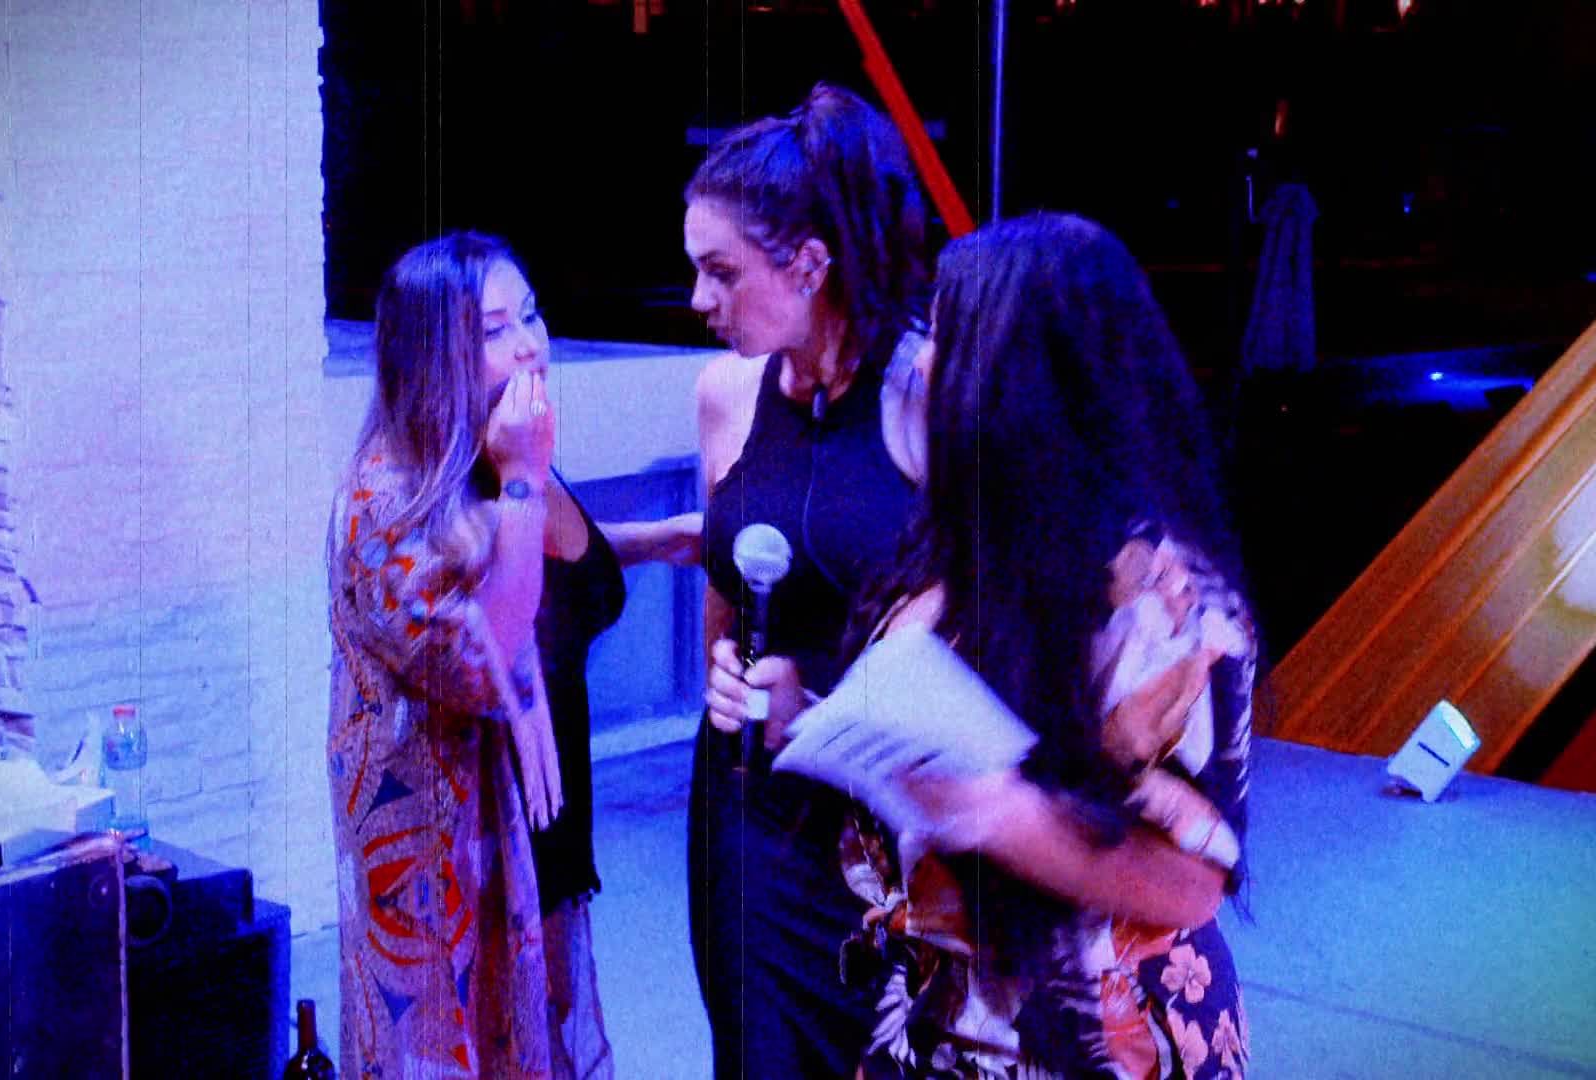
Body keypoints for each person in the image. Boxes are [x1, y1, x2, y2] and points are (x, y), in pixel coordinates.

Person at [757, 213, 1257, 1078]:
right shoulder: (963, 536)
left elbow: (1191, 881)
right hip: (939, 1019)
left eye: (946, 340)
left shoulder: (1165, 593)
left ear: (1023, 383)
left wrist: (1005, 814)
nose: (921, 365)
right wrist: (802, 714)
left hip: (1095, 1044)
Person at [326, 232, 696, 1080]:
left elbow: (546, 571)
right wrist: (525, 476)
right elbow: (486, 652)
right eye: (494, 330)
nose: (530, 344)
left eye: (530, 316)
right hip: (449, 861)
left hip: (538, 824)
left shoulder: (492, 453)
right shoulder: (388, 498)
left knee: (544, 1043)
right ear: (432, 356)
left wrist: (662, 539)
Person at [686, 82, 933, 1078]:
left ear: (810, 263)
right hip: (749, 813)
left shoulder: (926, 391)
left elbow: (981, 638)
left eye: (722, 272)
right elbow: (723, 592)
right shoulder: (725, 394)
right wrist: (721, 671)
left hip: (892, 822)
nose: (699, 300)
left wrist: (824, 705)